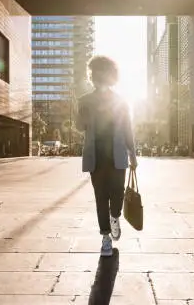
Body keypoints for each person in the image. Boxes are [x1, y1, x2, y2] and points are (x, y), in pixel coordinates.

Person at [76, 55, 138, 257]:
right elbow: (79, 127)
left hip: (117, 156)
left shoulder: (121, 101)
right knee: (101, 197)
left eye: (103, 72)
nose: (98, 77)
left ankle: (115, 216)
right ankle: (105, 237)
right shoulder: (85, 100)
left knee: (117, 194)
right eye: (95, 73)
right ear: (92, 76)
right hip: (96, 157)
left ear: (111, 76)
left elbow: (128, 129)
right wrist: (82, 117)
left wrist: (133, 155)